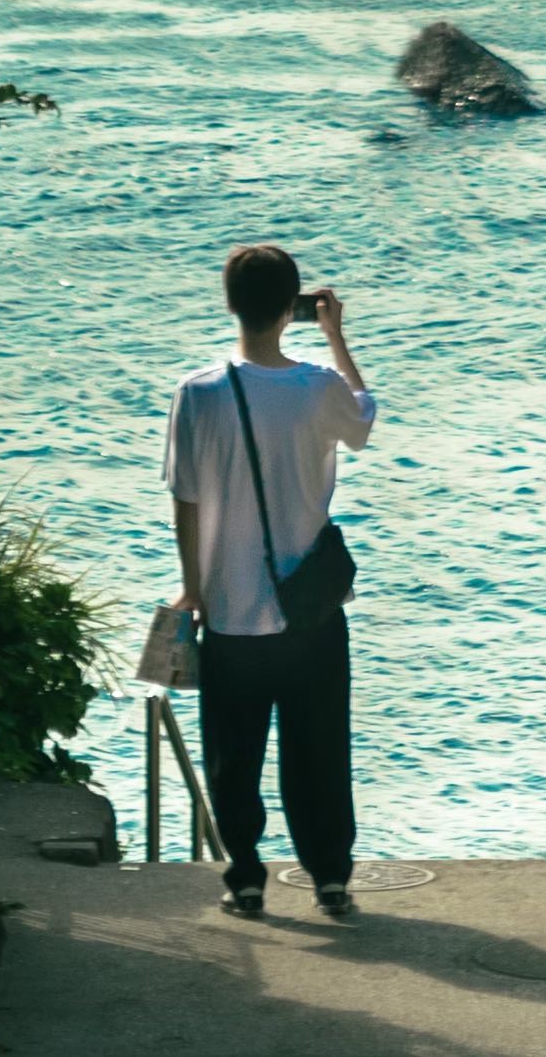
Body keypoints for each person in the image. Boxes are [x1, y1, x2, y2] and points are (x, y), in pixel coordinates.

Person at [163, 241, 377, 921]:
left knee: (233, 753)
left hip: (230, 612)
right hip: (309, 610)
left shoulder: (197, 393)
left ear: (230, 304)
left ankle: (246, 877)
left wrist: (192, 589)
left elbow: (186, 499)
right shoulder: (316, 388)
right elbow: (363, 418)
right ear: (294, 309)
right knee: (318, 752)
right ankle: (330, 878)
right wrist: (337, 336)